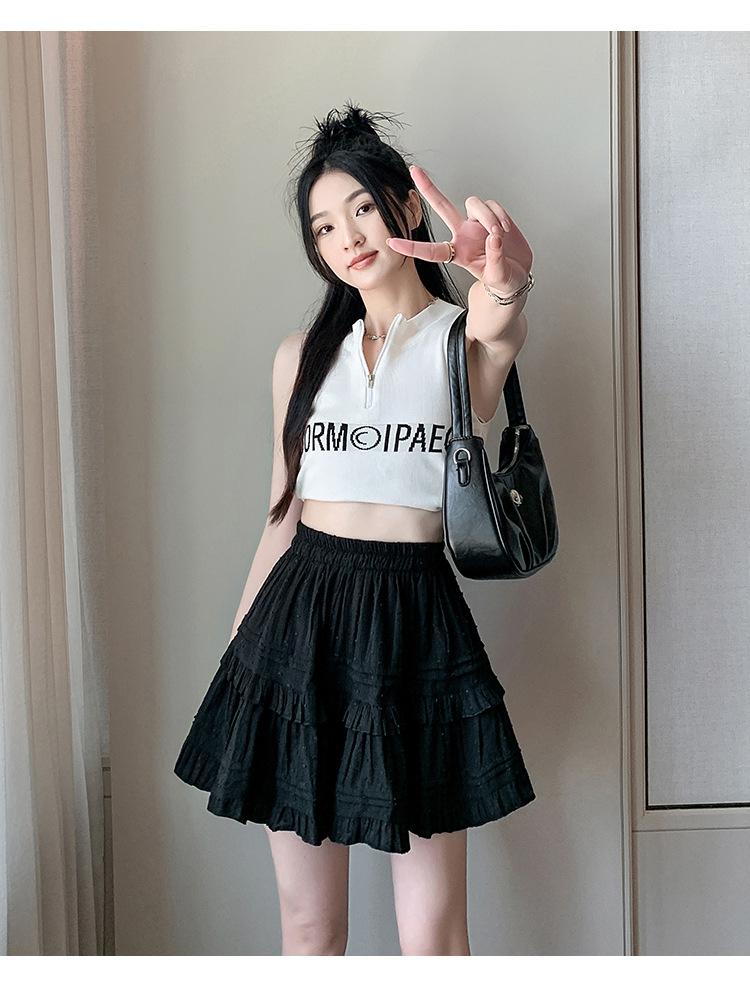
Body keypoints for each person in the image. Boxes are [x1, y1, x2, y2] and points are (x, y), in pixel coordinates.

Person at [174, 101, 536, 956]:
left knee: (433, 935)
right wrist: (239, 655)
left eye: (363, 208)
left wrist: (506, 278)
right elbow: (281, 516)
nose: (348, 237)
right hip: (295, 624)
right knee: (309, 928)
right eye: (325, 226)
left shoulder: (459, 343)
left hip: (415, 622)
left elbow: (501, 321)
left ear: (405, 206)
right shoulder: (301, 356)